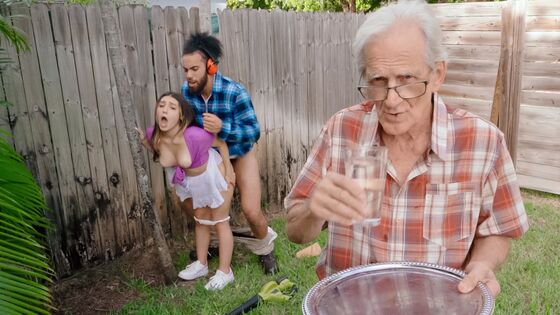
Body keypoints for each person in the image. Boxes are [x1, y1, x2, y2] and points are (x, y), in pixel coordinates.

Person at [285, 0, 529, 297]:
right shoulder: (341, 131)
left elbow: (499, 229)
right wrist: (313, 208)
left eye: (407, 80)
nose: (391, 100)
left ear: (437, 74)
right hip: (349, 304)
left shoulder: (483, 143)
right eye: (378, 81)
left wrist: (481, 263)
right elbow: (295, 231)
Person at [181, 32, 279, 274]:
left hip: (241, 151)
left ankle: (266, 249)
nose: (189, 76)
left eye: (194, 69)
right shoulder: (187, 92)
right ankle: (214, 241)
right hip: (211, 157)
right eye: (185, 70)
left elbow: (253, 132)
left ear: (211, 66)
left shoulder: (235, 92)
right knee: (190, 202)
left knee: (251, 210)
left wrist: (223, 128)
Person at [138, 92, 236, 291]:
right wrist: (143, 142)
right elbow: (159, 151)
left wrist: (230, 170)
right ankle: (201, 264)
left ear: (181, 117)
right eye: (161, 105)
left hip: (214, 174)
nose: (165, 109)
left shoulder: (195, 136)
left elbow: (221, 144)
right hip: (192, 181)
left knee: (219, 221)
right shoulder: (153, 135)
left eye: (172, 107)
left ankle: (226, 272)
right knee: (200, 219)